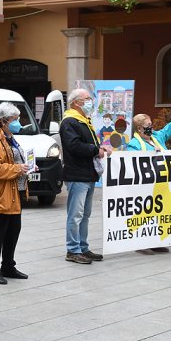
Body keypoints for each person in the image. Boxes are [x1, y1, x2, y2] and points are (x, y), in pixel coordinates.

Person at [0, 102, 33, 285]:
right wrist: (18, 169)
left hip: (14, 191)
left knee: (13, 231)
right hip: (1, 193)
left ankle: (8, 265)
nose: (18, 122)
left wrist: (27, 167)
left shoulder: (9, 137)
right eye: (14, 120)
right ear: (3, 121)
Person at [61, 88, 113, 264]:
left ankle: (83, 247)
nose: (91, 101)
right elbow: (74, 146)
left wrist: (101, 147)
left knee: (84, 215)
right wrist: (95, 150)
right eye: (87, 99)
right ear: (76, 102)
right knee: (75, 215)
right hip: (77, 174)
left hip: (88, 174)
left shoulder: (84, 121)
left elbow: (89, 143)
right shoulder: (70, 122)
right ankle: (72, 250)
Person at [126, 109, 171, 254]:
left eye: (151, 124)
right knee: (145, 213)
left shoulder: (156, 137)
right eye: (148, 125)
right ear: (139, 128)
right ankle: (139, 243)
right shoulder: (134, 144)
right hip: (146, 186)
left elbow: (169, 129)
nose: (151, 127)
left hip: (162, 183)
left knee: (159, 212)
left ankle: (155, 241)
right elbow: (132, 165)